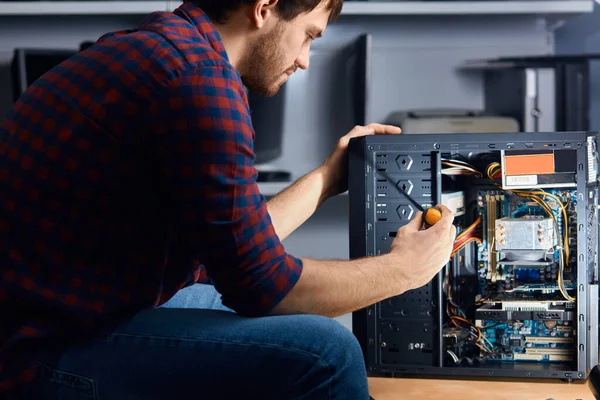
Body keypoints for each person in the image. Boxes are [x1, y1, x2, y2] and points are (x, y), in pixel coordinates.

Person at [0, 0, 456, 398]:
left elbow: (236, 250)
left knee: (299, 330)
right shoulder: (200, 81)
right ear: (264, 8)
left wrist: (325, 178)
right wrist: (405, 270)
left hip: (55, 320)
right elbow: (264, 286)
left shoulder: (160, 48)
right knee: (327, 352)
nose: (304, 60)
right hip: (45, 352)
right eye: (307, 36)